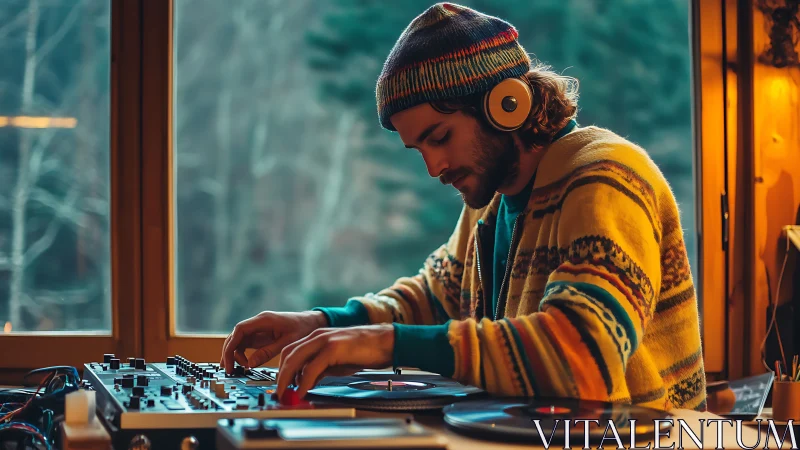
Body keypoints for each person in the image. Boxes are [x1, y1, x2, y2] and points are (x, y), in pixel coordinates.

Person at [220, 2, 706, 412]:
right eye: (420, 150)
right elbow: (433, 297)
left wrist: (385, 343)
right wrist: (324, 324)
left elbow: (584, 356)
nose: (434, 168)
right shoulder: (492, 200)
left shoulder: (606, 177)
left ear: (505, 105)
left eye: (440, 138)